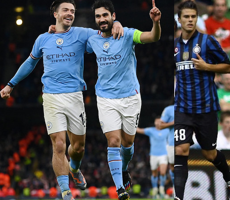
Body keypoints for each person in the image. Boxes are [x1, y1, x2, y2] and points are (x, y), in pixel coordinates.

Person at [0, 1, 123, 200]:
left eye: (73, 11)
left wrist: (118, 25)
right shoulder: (42, 39)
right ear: (55, 14)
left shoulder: (82, 34)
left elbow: (104, 35)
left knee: (78, 148)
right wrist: (10, 84)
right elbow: (30, 63)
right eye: (65, 10)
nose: (70, 14)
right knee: (58, 145)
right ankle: (66, 192)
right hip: (51, 97)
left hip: (75, 97)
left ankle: (74, 168)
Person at [86, 0, 161, 199]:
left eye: (105, 15)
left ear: (113, 16)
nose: (101, 19)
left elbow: (153, 37)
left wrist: (156, 23)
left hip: (130, 98)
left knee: (127, 144)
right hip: (105, 98)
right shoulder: (92, 39)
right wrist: (55, 28)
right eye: (98, 16)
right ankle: (120, 189)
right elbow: (70, 39)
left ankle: (125, 168)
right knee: (113, 140)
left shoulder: (127, 33)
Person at [174, 1, 230, 200]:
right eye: (186, 16)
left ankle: (229, 177)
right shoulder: (174, 46)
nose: (190, 20)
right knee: (181, 149)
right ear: (179, 19)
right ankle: (178, 197)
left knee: (209, 154)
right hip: (183, 108)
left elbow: (228, 67)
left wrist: (207, 67)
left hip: (206, 108)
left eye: (193, 16)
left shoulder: (207, 41)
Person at [136, 117, 169, 199]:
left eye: (159, 122)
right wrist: (131, 125)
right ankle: (155, 190)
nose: (158, 123)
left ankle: (161, 190)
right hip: (153, 155)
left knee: (163, 172)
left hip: (163, 154)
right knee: (154, 173)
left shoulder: (167, 130)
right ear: (154, 123)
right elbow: (139, 130)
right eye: (156, 122)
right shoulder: (151, 130)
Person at [157, 104, 175, 186]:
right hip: (172, 143)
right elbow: (160, 126)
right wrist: (173, 123)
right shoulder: (169, 109)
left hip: (189, 142)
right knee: (173, 168)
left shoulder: (190, 106)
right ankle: (176, 188)